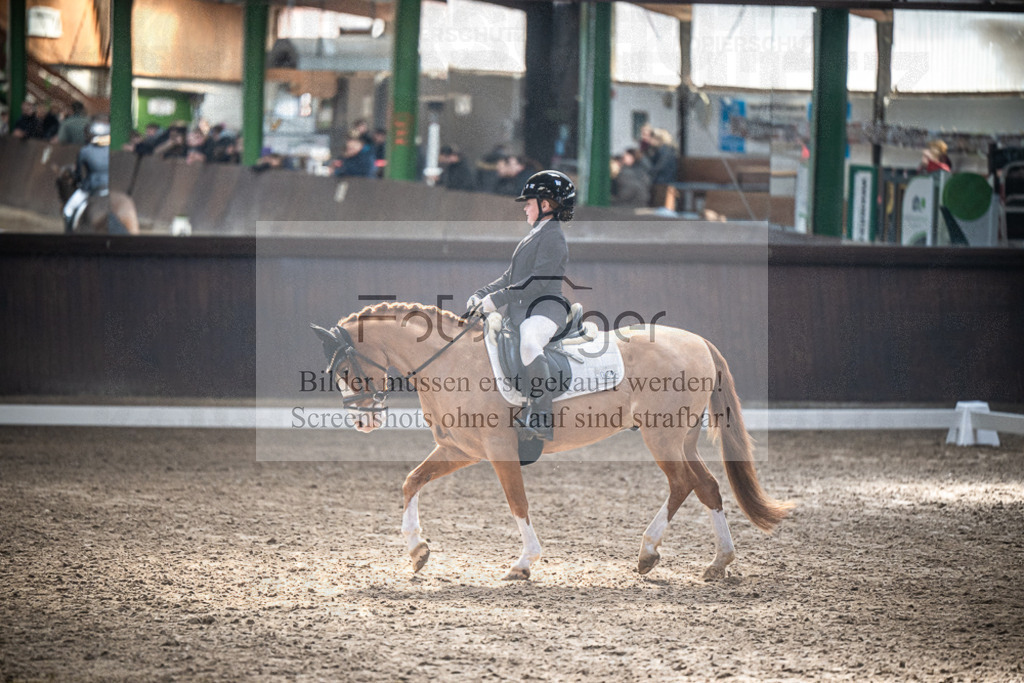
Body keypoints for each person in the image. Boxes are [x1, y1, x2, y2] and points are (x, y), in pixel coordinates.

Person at [466, 170, 575, 441]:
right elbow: (510, 277)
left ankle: (542, 416)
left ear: (546, 205)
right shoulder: (535, 234)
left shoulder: (553, 236)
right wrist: (481, 294)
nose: (525, 207)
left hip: (546, 308)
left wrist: (497, 299)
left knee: (529, 341)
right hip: (523, 310)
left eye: (529, 202)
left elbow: (538, 282)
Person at [62, 119, 111, 233]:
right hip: (109, 186)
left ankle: (68, 235)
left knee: (68, 210)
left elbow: (79, 172)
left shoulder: (85, 151)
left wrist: (78, 182)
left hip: (92, 188)